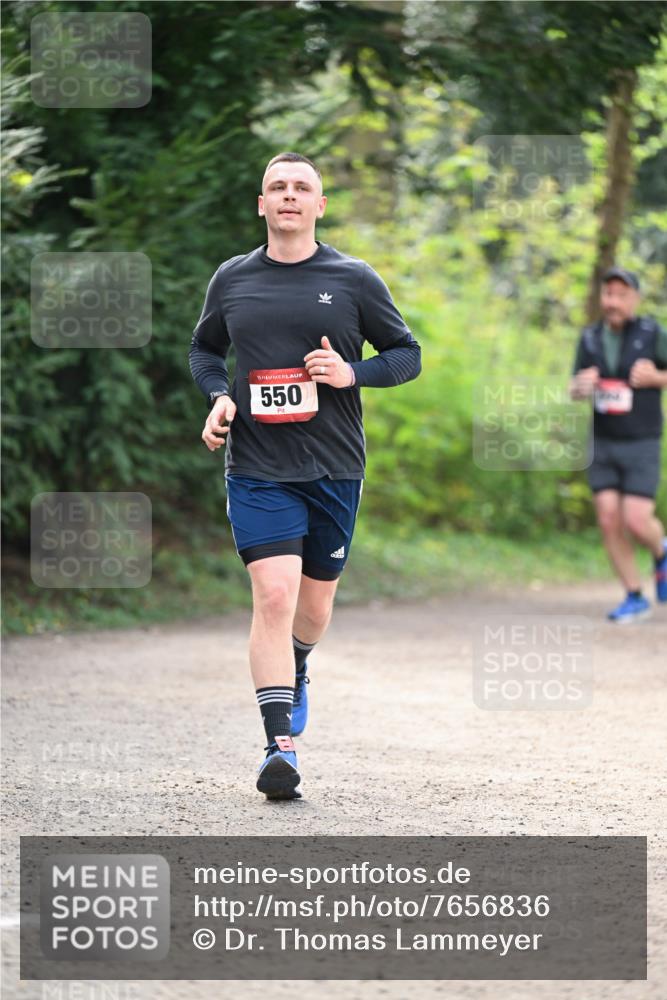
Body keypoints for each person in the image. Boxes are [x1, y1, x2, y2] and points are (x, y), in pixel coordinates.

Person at [189, 152, 421, 799]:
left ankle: (297, 664)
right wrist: (218, 396)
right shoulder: (233, 279)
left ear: (319, 205)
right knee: (272, 596)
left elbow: (406, 356)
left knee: (313, 608)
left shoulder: (351, 279)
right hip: (259, 467)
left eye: (301, 188)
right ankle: (278, 745)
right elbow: (204, 349)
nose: (288, 196)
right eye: (276, 187)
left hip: (334, 466)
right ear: (261, 204)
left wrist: (352, 373)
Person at [570, 265, 667, 622]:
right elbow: (573, 386)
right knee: (609, 519)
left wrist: (656, 377)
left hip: (641, 439)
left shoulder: (653, 333)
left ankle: (661, 551)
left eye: (621, 295)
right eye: (608, 294)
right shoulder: (590, 338)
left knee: (637, 521)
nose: (613, 301)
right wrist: (582, 385)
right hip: (603, 441)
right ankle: (633, 594)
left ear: (635, 299)